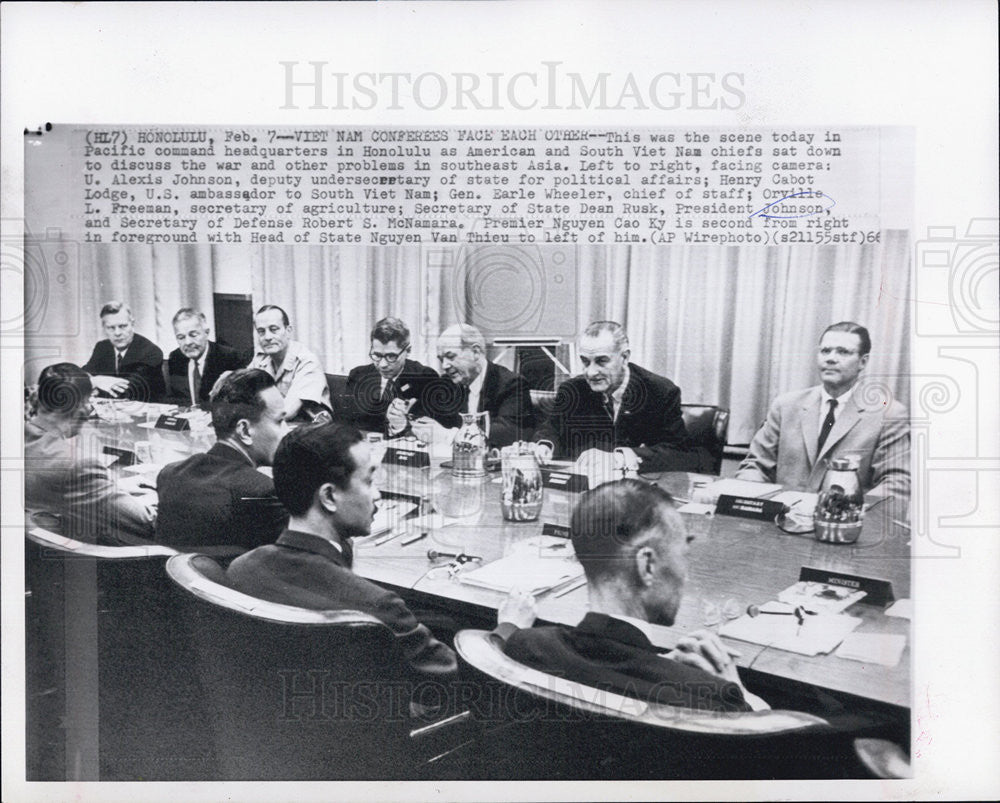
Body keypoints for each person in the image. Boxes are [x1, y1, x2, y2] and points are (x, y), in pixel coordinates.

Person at [498, 479, 769, 713]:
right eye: (682, 558)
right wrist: (741, 695)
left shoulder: (525, 647)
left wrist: (657, 664)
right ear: (647, 566)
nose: (685, 577)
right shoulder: (715, 698)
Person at [735, 322, 910, 498]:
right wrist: (752, 499)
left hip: (844, 521)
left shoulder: (888, 414)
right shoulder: (786, 406)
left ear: (862, 362)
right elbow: (755, 466)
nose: (831, 358)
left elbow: (895, 483)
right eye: (825, 351)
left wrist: (847, 512)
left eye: (843, 352)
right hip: (781, 519)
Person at [533, 321, 699, 473]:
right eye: (585, 361)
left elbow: (679, 454)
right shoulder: (572, 390)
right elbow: (551, 429)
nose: (590, 372)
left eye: (601, 361)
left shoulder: (660, 391)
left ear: (625, 357)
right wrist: (545, 446)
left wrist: (619, 457)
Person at [155, 369, 290, 551]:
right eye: (279, 421)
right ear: (244, 431)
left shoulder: (170, 474)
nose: (287, 432)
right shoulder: (264, 492)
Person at [24, 363, 156, 544]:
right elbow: (146, 522)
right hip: (92, 558)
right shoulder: (78, 465)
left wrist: (115, 485)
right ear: (81, 407)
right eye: (89, 401)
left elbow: (63, 489)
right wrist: (163, 493)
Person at [410, 323, 535, 448]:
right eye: (441, 359)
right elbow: (421, 414)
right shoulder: (447, 383)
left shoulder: (512, 384)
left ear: (475, 352)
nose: (444, 366)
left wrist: (450, 436)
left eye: (450, 357)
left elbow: (508, 433)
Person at [344, 317, 439, 434]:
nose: (382, 365)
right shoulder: (358, 375)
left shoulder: (425, 378)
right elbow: (347, 425)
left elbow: (432, 432)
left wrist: (401, 426)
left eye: (391, 357)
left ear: (408, 351)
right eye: (377, 355)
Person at [247, 304, 331, 420]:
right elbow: (243, 394)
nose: (267, 337)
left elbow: (286, 411)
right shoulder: (260, 360)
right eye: (261, 331)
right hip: (274, 423)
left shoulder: (307, 362)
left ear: (288, 330)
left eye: (274, 329)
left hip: (308, 427)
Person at [81, 301, 166, 402]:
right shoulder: (102, 347)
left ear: (132, 324)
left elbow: (127, 390)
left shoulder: (151, 351)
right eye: (111, 328)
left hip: (146, 413)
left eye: (123, 326)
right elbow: (82, 374)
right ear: (104, 328)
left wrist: (95, 381)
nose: (117, 333)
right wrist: (94, 380)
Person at [164, 307, 244, 407]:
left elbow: (237, 402)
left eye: (193, 335)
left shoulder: (227, 357)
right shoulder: (176, 358)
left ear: (206, 332)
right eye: (181, 337)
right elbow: (177, 399)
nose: (188, 342)